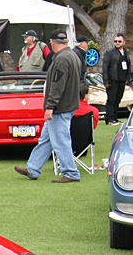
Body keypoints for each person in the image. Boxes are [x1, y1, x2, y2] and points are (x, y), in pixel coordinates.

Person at [14, 29, 82, 184]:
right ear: (66, 42)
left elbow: (58, 84)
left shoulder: (61, 59)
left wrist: (50, 106)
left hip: (60, 107)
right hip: (67, 104)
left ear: (52, 42)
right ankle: (33, 168)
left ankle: (71, 172)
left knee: (60, 140)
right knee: (46, 139)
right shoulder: (72, 56)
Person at [101, 33, 131, 124]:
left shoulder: (126, 52)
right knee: (111, 100)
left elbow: (128, 66)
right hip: (112, 81)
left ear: (124, 42)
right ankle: (109, 119)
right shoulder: (109, 53)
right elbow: (105, 67)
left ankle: (114, 117)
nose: (117, 43)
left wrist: (127, 78)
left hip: (121, 80)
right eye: (115, 41)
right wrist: (106, 81)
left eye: (119, 41)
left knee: (118, 99)